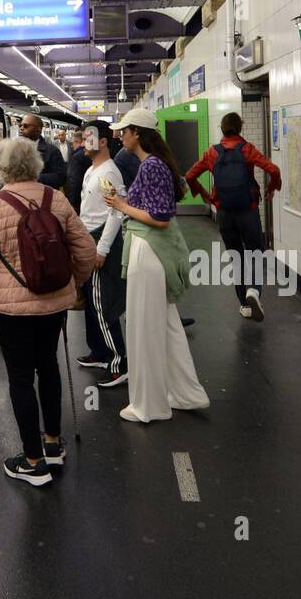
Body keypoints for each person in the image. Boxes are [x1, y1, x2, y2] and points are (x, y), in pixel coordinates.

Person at [0, 137, 96, 487]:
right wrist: (73, 286)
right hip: (53, 303)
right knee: (49, 367)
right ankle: (53, 444)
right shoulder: (56, 199)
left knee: (20, 378)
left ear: (1, 169)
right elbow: (86, 251)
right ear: (37, 165)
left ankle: (34, 462)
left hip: (9, 310)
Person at [104, 108, 209, 424]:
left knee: (144, 328)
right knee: (166, 326)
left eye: (124, 131)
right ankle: (184, 393)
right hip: (151, 252)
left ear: (137, 133)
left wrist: (121, 205)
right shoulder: (156, 165)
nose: (120, 136)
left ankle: (149, 405)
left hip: (149, 251)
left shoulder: (151, 167)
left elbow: (160, 219)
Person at [185, 112, 283, 322]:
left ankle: (244, 305)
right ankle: (254, 290)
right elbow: (273, 170)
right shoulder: (247, 149)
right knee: (255, 251)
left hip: (224, 213)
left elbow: (190, 175)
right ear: (240, 127)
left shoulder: (212, 152)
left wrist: (205, 195)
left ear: (221, 129)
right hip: (248, 210)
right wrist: (272, 188)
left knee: (236, 256)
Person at [77, 120, 128, 387]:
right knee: (90, 299)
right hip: (88, 238)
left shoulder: (109, 173)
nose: (83, 142)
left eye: (87, 137)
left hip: (100, 241)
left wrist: (102, 248)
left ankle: (120, 362)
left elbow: (116, 211)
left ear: (103, 141)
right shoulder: (91, 170)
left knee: (101, 302)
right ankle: (99, 352)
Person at [20, 113, 66, 190]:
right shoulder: (16, 150)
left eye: (26, 126)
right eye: (20, 126)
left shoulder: (52, 151)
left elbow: (60, 177)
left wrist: (32, 178)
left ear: (38, 129)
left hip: (43, 196)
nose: (21, 128)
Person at [65, 127, 91, 213]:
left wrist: (71, 202)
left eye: (73, 143)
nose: (72, 146)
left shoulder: (76, 157)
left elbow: (73, 180)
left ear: (78, 142)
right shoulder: (89, 155)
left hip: (77, 197)